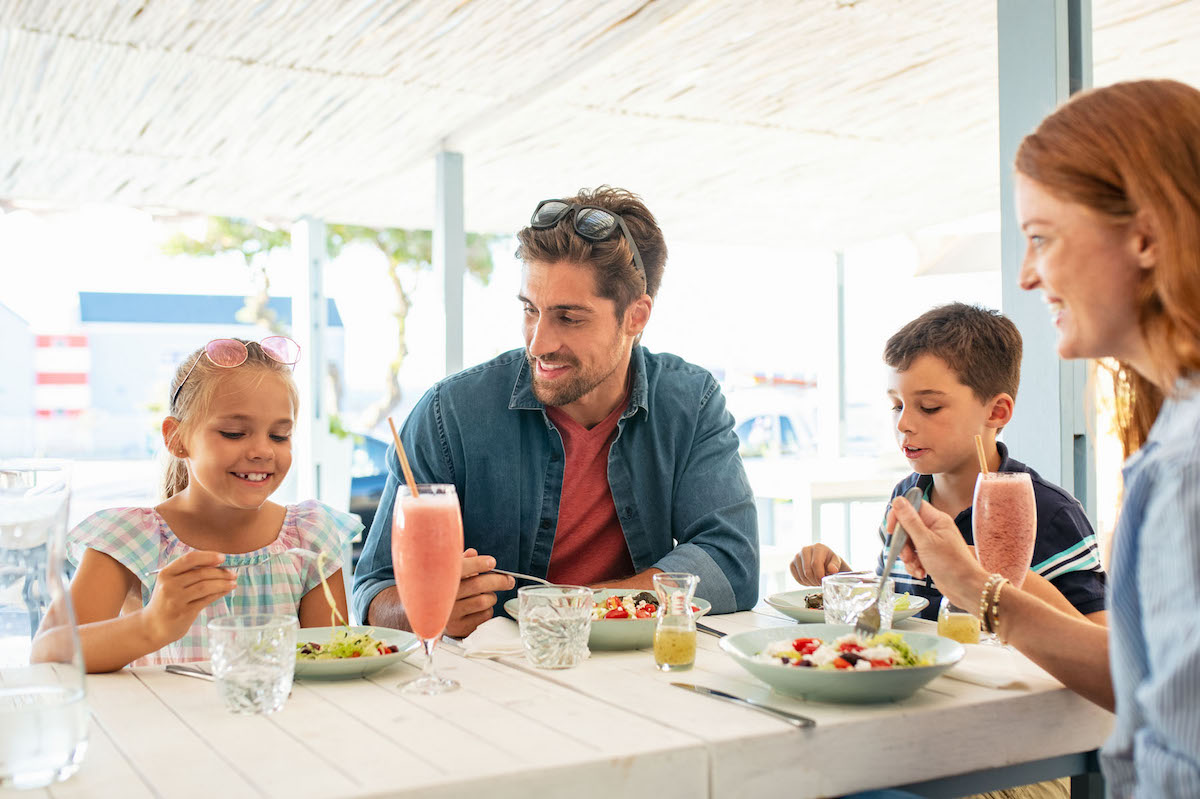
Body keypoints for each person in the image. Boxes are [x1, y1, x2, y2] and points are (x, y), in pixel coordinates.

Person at [887, 79, 1200, 797]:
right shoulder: (1174, 436)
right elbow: (1143, 677)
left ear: (1146, 236)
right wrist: (974, 584)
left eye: (1041, 238)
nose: (1028, 275)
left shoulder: (1186, 465)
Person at [354, 186, 759, 637]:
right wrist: (424, 608)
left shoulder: (691, 401)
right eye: (531, 310)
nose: (538, 343)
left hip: (641, 674)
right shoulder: (448, 414)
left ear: (636, 316)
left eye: (568, 318)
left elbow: (732, 561)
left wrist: (580, 610)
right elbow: (374, 590)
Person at [53, 337, 360, 672]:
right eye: (233, 433)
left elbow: (331, 667)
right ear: (177, 438)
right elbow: (49, 655)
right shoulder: (129, 538)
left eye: (279, 436)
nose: (263, 451)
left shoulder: (310, 536)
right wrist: (152, 624)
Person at [791, 303, 1107, 623]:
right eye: (896, 405)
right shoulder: (906, 499)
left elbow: (1101, 644)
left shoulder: (1050, 512)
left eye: (929, 407)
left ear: (996, 412)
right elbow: (898, 607)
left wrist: (984, 573)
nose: (903, 423)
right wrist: (840, 578)